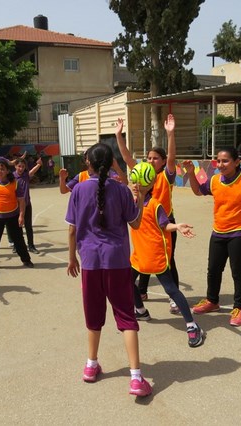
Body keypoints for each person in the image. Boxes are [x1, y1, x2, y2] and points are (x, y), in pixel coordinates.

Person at [65, 142, 152, 398]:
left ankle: (91, 365)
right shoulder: (123, 190)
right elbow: (135, 224)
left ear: (88, 164)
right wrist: (142, 198)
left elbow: (71, 229)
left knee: (93, 316)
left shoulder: (79, 189)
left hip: (91, 261)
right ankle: (136, 378)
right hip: (117, 260)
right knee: (126, 317)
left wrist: (72, 259)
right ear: (111, 162)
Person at [182, 147, 241, 327]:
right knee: (213, 269)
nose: (220, 164)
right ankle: (212, 301)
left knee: (238, 271)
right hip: (219, 231)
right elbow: (198, 191)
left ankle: (240, 308)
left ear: (237, 162)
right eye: (218, 161)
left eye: (225, 161)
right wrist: (191, 173)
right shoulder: (215, 180)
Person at [128, 176, 204, 348]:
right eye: (133, 182)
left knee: (171, 289)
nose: (135, 185)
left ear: (149, 186)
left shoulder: (155, 204)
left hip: (156, 255)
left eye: (139, 183)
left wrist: (177, 227)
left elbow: (164, 224)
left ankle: (192, 324)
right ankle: (141, 311)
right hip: (139, 255)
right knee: (126, 281)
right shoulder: (130, 204)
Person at [116, 114, 180, 313]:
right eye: (149, 158)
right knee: (142, 257)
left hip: (164, 222)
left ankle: (173, 297)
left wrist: (170, 134)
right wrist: (119, 135)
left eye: (155, 158)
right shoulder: (141, 172)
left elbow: (171, 158)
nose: (151, 161)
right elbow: (126, 157)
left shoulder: (166, 176)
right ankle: (141, 292)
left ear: (161, 162)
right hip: (142, 219)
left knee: (168, 261)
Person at [11, 157, 42, 253]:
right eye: (19, 166)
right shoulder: (11, 177)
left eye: (23, 167)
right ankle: (17, 245)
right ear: (15, 166)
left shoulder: (26, 176)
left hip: (27, 204)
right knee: (17, 226)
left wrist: (39, 164)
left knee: (28, 226)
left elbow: (32, 171)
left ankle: (31, 245)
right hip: (15, 206)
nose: (21, 168)